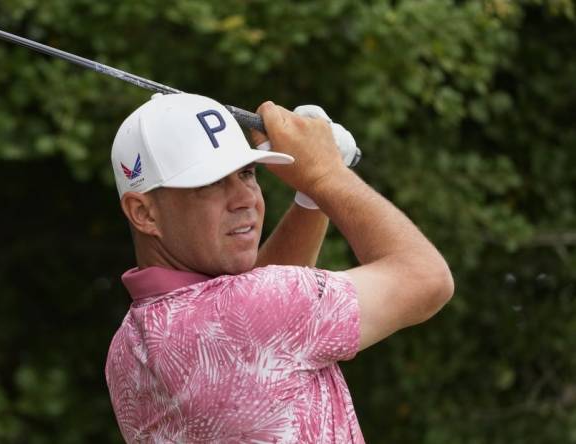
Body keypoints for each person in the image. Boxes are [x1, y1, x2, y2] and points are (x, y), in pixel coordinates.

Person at [105, 93, 454, 443]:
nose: (244, 198)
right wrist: (325, 173)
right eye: (210, 182)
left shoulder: (125, 351)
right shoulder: (253, 310)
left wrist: (310, 199)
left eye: (246, 173)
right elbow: (426, 278)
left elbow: (257, 328)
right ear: (144, 213)